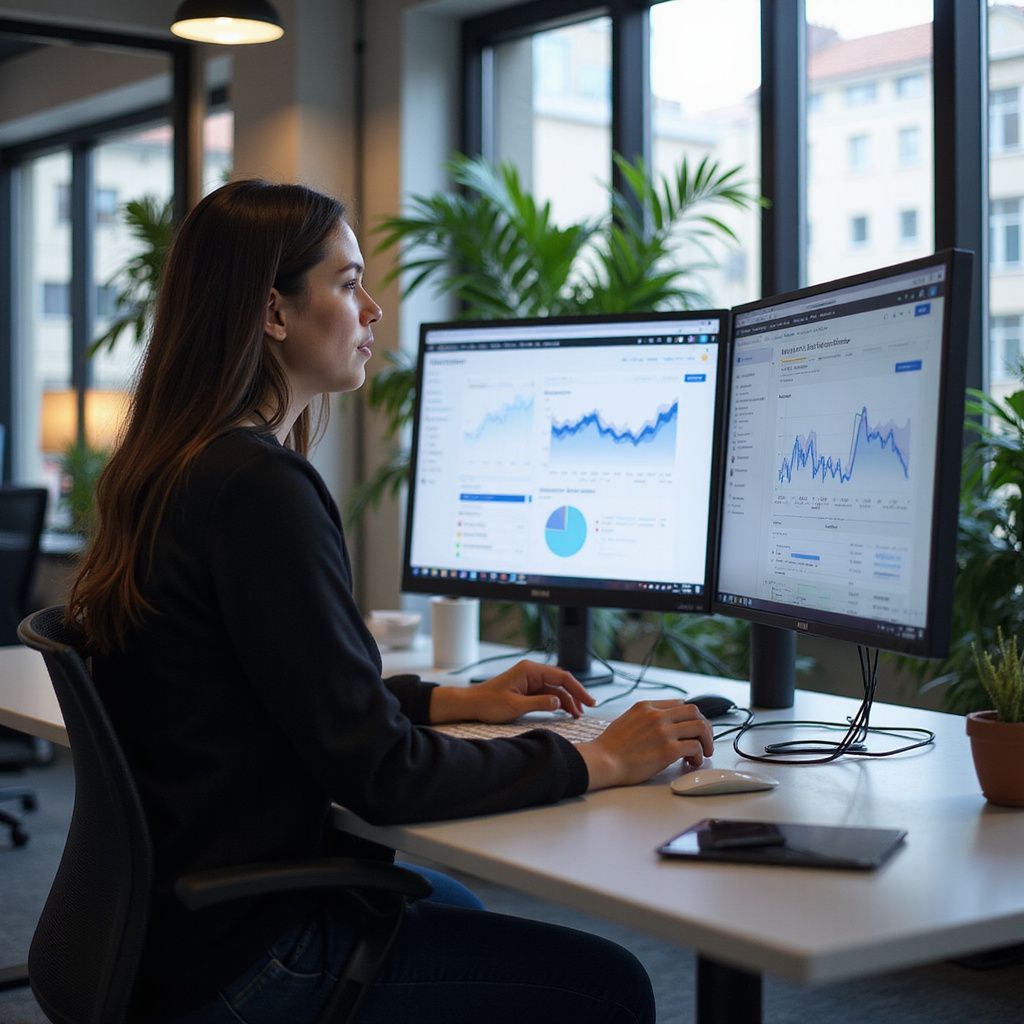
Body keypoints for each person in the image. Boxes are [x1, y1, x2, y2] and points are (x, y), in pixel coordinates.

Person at [68, 179, 714, 1024]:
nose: (373, 309)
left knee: (456, 908)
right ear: (274, 312)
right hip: (249, 957)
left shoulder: (179, 468)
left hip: (173, 930)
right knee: (610, 987)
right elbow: (382, 776)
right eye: (347, 283)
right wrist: (604, 758)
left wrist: (454, 699)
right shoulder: (259, 487)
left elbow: (266, 696)